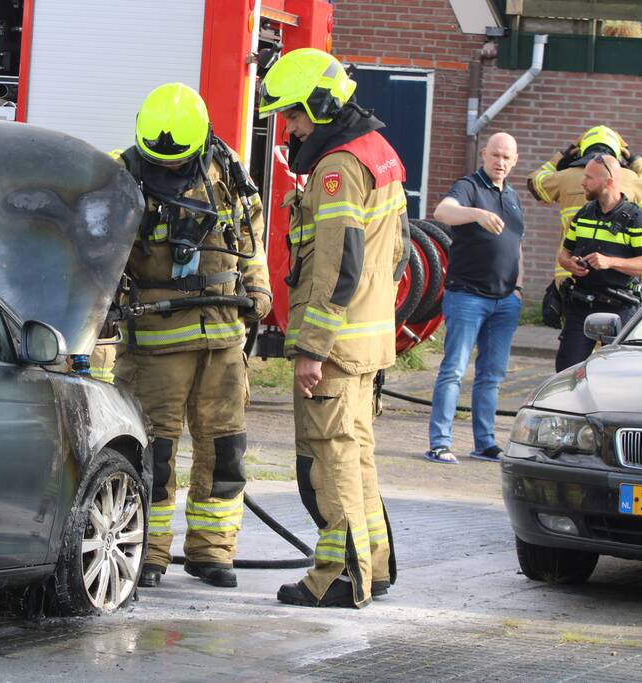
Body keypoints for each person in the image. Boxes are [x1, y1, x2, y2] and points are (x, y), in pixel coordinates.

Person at [258, 48, 409, 608]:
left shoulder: (336, 169)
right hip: (369, 338)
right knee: (358, 455)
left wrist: (312, 348)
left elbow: (337, 266)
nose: (289, 126)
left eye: (293, 114)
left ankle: (342, 578)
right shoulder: (380, 152)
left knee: (331, 460)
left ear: (320, 107)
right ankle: (376, 566)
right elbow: (398, 254)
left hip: (338, 346)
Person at [111, 83, 271, 589]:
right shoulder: (121, 176)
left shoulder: (226, 171)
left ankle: (212, 552)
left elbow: (250, 237)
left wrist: (259, 291)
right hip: (157, 342)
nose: (171, 169)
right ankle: (147, 554)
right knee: (152, 451)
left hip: (223, 336)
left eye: (179, 160)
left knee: (224, 452)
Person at [425, 132, 525, 465]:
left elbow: (515, 245)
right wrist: (476, 214)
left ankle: (485, 442)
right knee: (454, 369)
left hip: (505, 301)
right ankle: (440, 442)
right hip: (467, 295)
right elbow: (443, 212)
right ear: (484, 154)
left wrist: (519, 288)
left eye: (506, 157)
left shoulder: (512, 195)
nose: (500, 162)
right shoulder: (469, 186)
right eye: (495, 155)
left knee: (492, 375)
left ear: (515, 161)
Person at [555, 153, 642, 370]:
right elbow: (563, 254)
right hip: (581, 305)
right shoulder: (584, 213)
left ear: (608, 182)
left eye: (589, 177)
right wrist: (569, 264)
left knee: (616, 373)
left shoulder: (635, 219)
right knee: (566, 371)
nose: (583, 182)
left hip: (618, 308)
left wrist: (610, 262)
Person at [528, 125, 642, 289]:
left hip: (569, 276)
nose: (584, 182)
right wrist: (633, 158)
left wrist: (562, 156)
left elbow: (534, 183)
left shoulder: (564, 177)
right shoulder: (630, 179)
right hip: (616, 285)